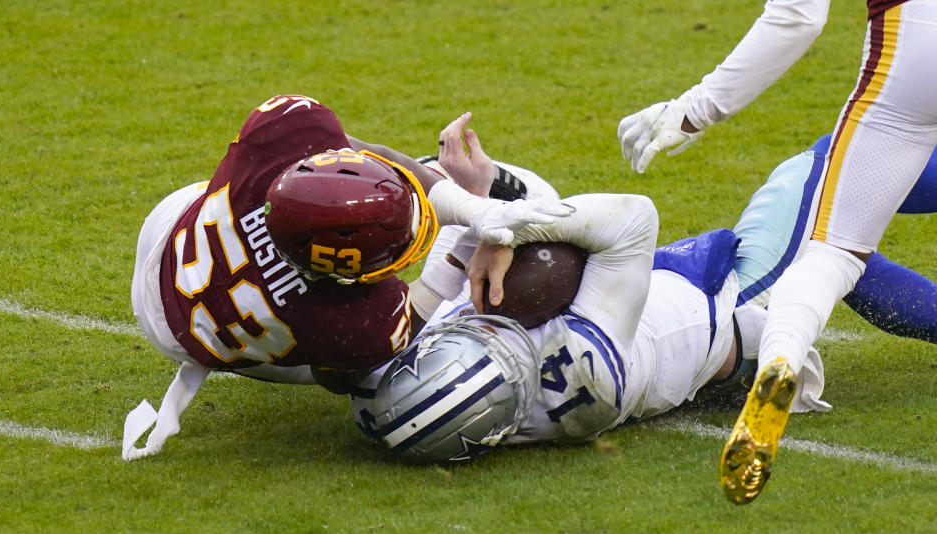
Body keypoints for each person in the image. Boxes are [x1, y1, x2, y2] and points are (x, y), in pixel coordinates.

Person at [351, 126, 937, 471]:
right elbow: (632, 217)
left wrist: (475, 203)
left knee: (836, 245)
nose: (477, 325)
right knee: (841, 162)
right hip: (726, 305)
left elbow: (386, 352)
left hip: (652, 310)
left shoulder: (404, 401)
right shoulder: (589, 368)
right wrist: (496, 225)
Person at [616, 0, 937, 504]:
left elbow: (797, 14)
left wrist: (693, 109)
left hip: (917, 40)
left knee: (831, 249)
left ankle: (780, 364)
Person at [122, 96, 570, 460]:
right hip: (196, 333)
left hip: (170, 239)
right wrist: (461, 249)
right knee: (376, 369)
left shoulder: (284, 134)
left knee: (356, 187)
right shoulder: (353, 320)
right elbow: (340, 377)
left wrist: (473, 209)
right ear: (342, 281)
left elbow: (349, 153)